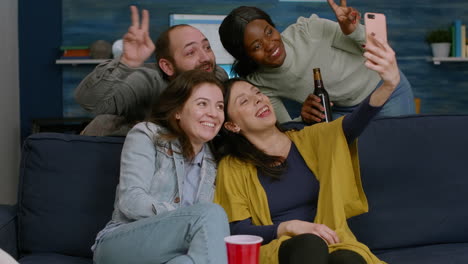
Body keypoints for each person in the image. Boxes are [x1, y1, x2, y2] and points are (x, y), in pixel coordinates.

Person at [214, 33, 396, 264]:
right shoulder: (233, 167)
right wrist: (289, 227)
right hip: (277, 250)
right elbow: (236, 230)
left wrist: (389, 85)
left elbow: (351, 126)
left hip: (330, 243)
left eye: (257, 93)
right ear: (232, 125)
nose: (258, 100)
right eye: (244, 101)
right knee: (309, 244)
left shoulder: (307, 139)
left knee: (349, 258)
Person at [92, 70, 229, 264]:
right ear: (178, 111)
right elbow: (131, 200)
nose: (214, 113)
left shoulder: (213, 162)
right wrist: (183, 218)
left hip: (175, 252)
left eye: (220, 106)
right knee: (210, 213)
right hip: (120, 244)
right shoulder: (147, 135)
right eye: (202, 104)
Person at [218, 0, 415, 124]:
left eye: (269, 32)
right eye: (256, 46)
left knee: (399, 151)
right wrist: (303, 117)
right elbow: (286, 130)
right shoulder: (260, 82)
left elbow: (378, 49)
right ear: (245, 55)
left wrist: (352, 31)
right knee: (359, 168)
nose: (270, 45)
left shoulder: (309, 30)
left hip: (387, 91)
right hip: (342, 111)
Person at [75, 5, 228, 136]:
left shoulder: (216, 76)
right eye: (190, 52)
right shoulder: (146, 81)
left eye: (207, 47)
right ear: (167, 67)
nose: (205, 58)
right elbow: (89, 101)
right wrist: (126, 63)